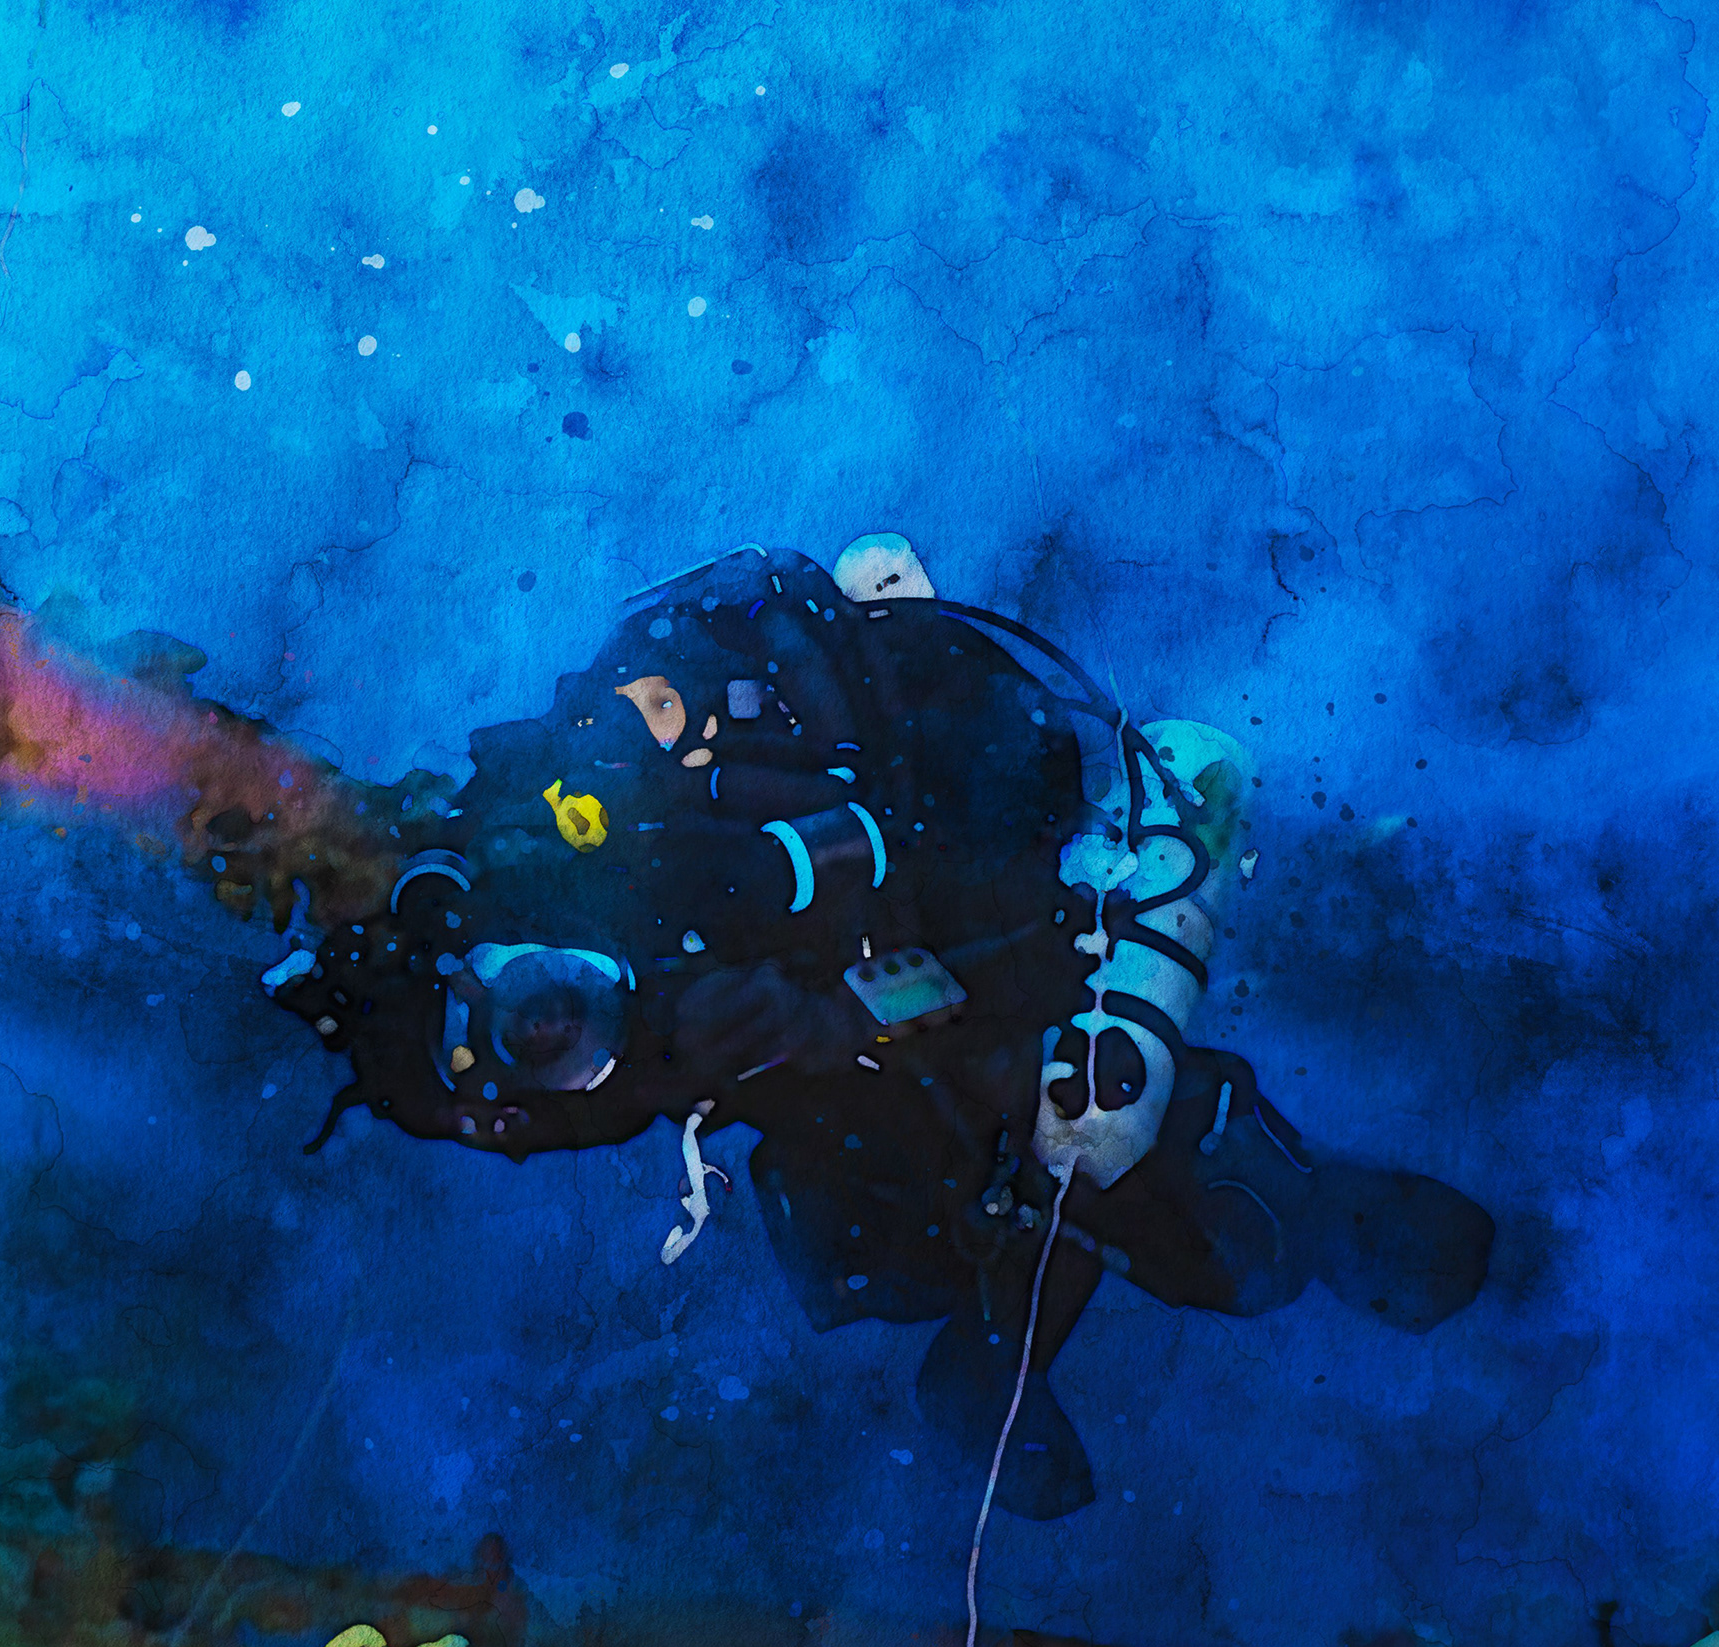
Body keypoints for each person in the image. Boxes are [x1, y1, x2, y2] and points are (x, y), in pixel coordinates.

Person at [267, 539, 1492, 1518]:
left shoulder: (629, 812)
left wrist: (820, 976)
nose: (563, 1021)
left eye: (545, 1000)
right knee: (929, 1216)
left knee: (1120, 1160)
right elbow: (550, 1084)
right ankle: (1016, 1330)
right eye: (540, 1042)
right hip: (853, 1030)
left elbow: (959, 904)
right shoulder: (538, 1010)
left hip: (960, 892)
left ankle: (1277, 1229)